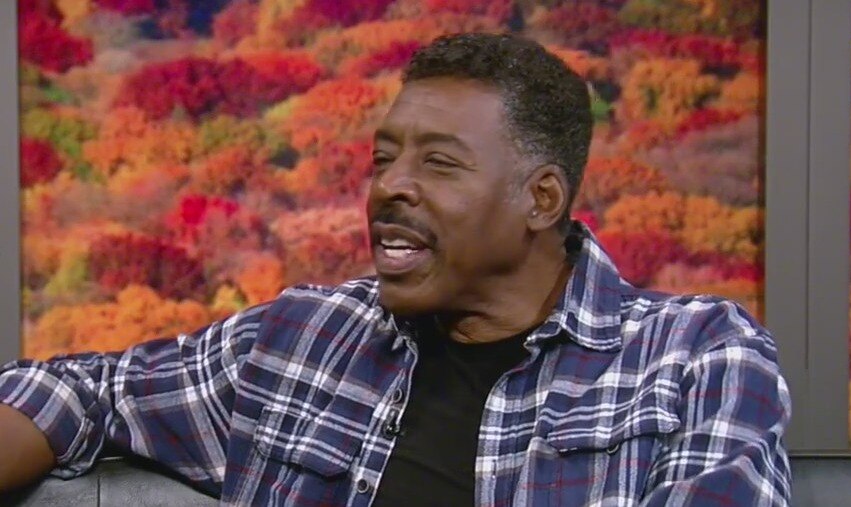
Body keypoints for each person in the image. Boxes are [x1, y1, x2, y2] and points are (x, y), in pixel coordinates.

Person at [0, 33, 791, 506]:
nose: (389, 187)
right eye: (383, 158)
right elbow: (82, 392)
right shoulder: (304, 337)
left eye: (438, 163)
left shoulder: (695, 355)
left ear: (540, 198)